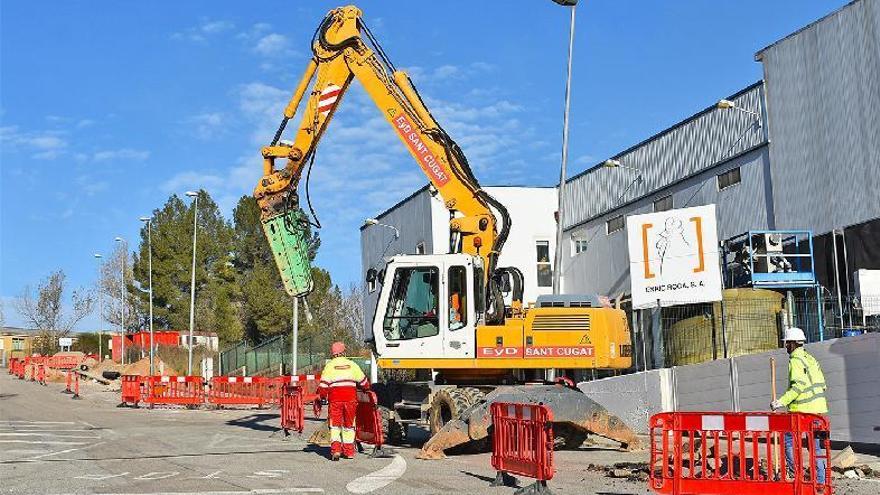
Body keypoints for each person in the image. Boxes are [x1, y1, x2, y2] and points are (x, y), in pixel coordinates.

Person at [771, 327, 828, 484]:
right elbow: (823, 385)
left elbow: (798, 387)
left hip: (802, 411)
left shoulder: (795, 360)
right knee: (816, 449)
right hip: (820, 413)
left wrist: (780, 402)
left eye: (787, 343)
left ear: (793, 343)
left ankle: (795, 475)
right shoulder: (810, 358)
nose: (785, 347)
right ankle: (821, 483)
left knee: (788, 440)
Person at [318, 341, 369, 461]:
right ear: (344, 352)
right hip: (350, 399)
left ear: (333, 353)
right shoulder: (352, 364)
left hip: (335, 400)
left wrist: (322, 397)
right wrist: (366, 388)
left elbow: (323, 386)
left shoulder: (330, 366)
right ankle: (349, 452)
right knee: (349, 425)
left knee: (335, 425)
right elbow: (363, 382)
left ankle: (336, 450)